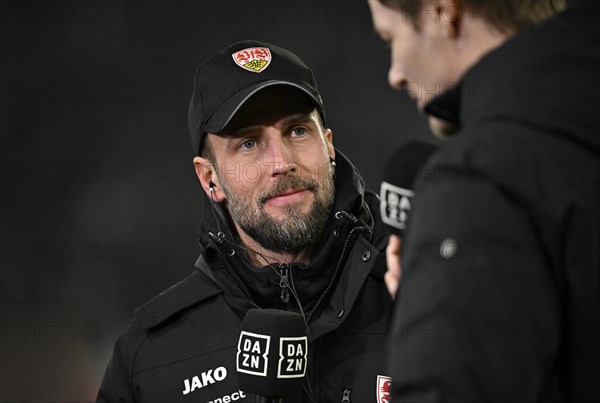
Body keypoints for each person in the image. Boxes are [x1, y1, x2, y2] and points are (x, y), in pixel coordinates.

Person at [96, 40, 393, 403]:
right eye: (249, 143)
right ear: (210, 179)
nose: (280, 162)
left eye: (297, 131)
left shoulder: (419, 289)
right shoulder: (149, 358)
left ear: (328, 146)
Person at [368, 0, 600, 402]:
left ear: (443, 11)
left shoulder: (481, 180)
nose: (395, 75)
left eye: (391, 37)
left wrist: (435, 313)